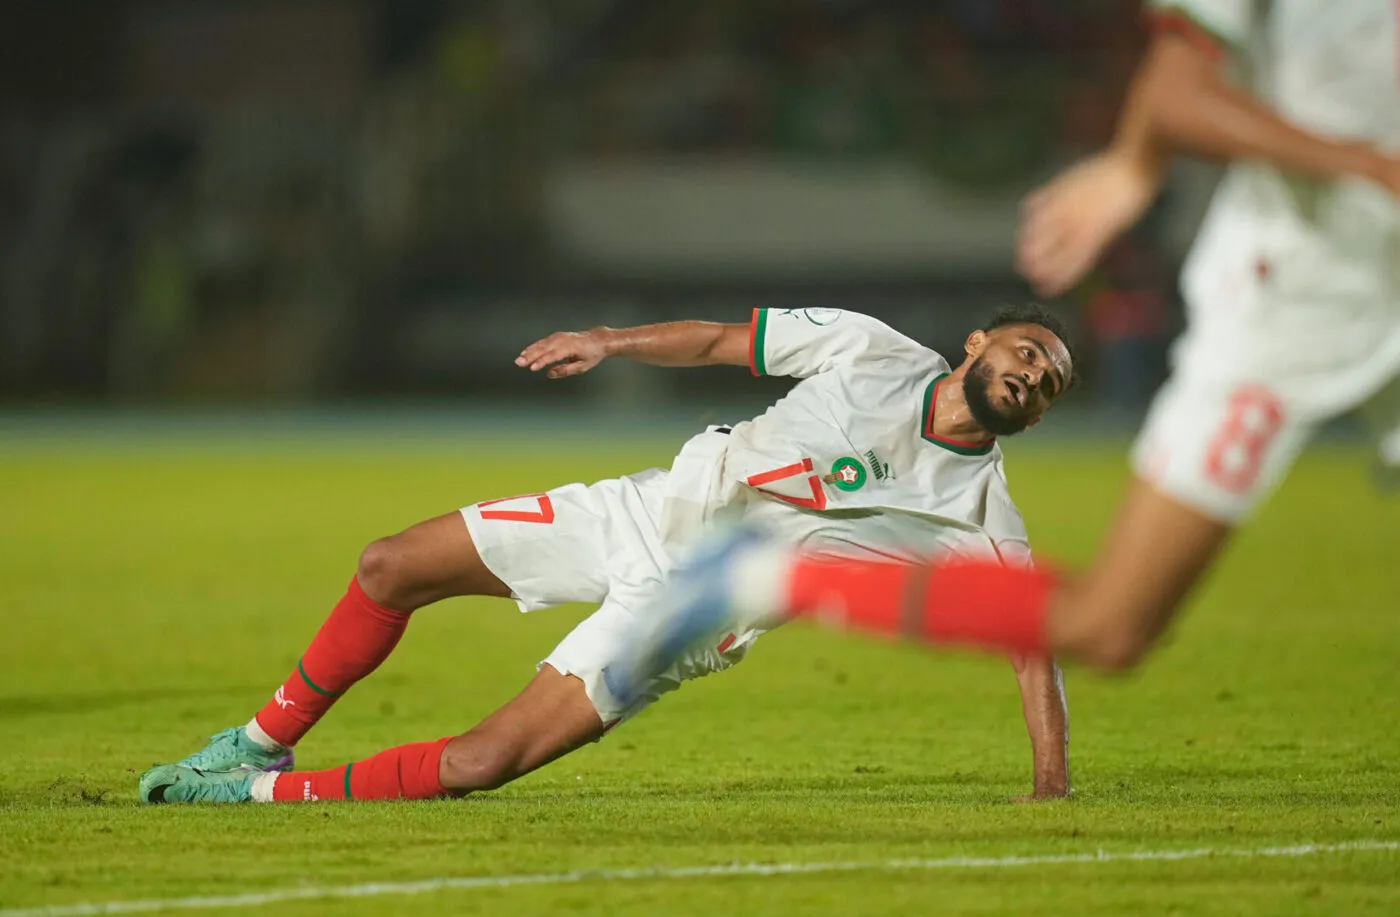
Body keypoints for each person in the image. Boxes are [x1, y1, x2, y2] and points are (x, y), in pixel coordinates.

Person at [633, 0, 1400, 679]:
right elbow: (1176, 91)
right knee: (1113, 623)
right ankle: (768, 576)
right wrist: (1358, 166)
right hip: (1304, 289)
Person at [139, 305, 1077, 805]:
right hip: (644, 510)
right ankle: (257, 739)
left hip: (687, 613)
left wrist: (1050, 783)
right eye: (1031, 351)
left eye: (1048, 384)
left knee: (479, 763)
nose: (1032, 375)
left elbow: (1032, 643)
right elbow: (720, 339)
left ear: (1034, 414)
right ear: (980, 341)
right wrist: (608, 341)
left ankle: (247, 793)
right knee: (390, 563)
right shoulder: (868, 349)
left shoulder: (982, 516)